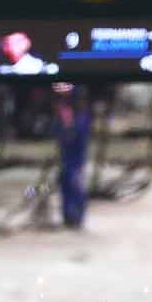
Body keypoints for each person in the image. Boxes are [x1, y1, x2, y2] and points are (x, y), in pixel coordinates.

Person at [52, 87, 92, 229]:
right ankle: (67, 217)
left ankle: (76, 217)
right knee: (65, 186)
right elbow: (56, 132)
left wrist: (68, 124)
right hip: (65, 158)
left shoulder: (82, 116)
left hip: (76, 159)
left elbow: (75, 136)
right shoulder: (63, 113)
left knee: (75, 186)